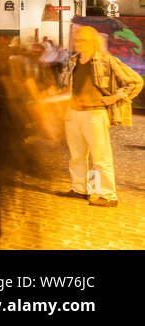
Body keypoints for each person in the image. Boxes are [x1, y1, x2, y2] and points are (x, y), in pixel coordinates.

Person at [61, 25, 143, 206]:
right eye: (76, 39)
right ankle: (80, 188)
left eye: (82, 40)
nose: (78, 43)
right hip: (73, 113)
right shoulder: (72, 61)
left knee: (100, 157)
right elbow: (64, 84)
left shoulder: (106, 61)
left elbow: (135, 82)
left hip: (95, 114)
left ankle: (106, 195)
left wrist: (114, 97)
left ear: (93, 42)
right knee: (76, 155)